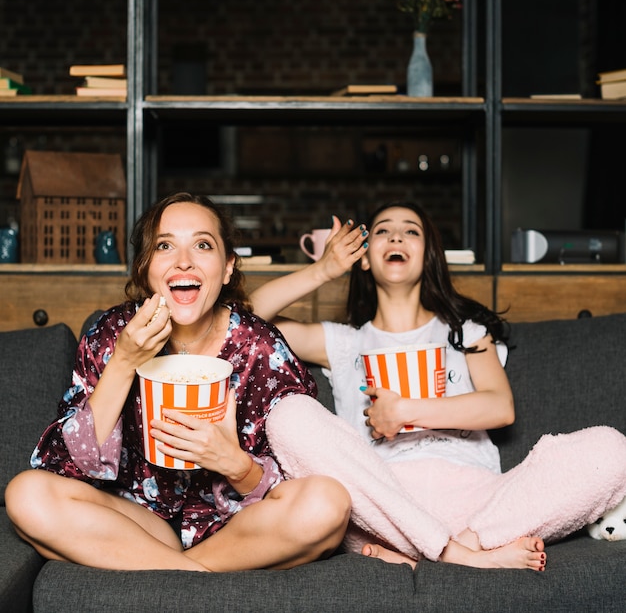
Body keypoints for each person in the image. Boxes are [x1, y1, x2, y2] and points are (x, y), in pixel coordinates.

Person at [251, 200, 626, 571]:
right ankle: (460, 558)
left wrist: (406, 411)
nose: (396, 236)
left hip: (478, 504)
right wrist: (323, 270)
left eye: (410, 231)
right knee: (289, 417)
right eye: (383, 231)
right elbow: (246, 319)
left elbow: (500, 408)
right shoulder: (343, 342)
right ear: (364, 258)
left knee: (612, 449)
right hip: (386, 507)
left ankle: (458, 546)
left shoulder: (468, 334)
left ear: (428, 255)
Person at [5, 192, 351, 572]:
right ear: (145, 266)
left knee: (328, 504)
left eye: (203, 245)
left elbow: (299, 473)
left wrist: (236, 465)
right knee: (25, 494)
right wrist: (124, 362)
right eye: (165, 246)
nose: (183, 261)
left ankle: (163, 572)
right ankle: (193, 576)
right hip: (137, 523)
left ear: (227, 267)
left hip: (233, 531)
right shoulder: (113, 334)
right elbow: (61, 469)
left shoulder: (260, 347)